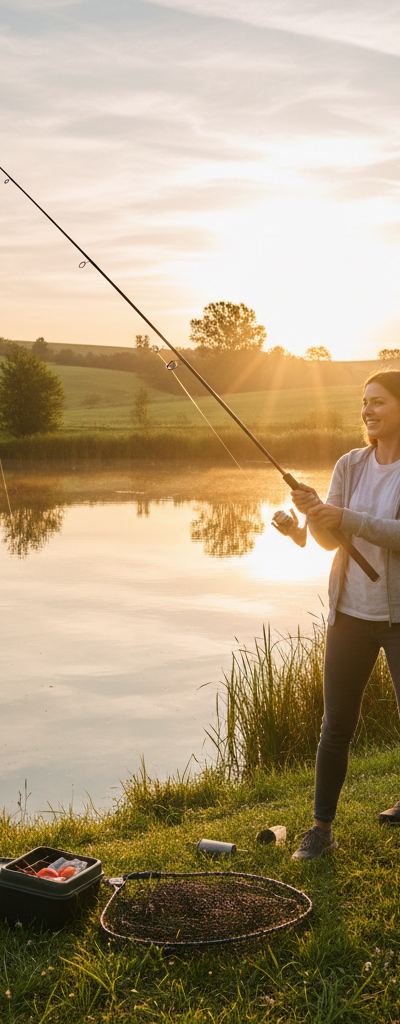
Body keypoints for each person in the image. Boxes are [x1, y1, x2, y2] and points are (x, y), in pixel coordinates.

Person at [272, 369, 400, 860]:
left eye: (379, 402)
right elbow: (330, 541)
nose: (367, 410)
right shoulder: (350, 464)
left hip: (399, 616)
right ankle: (321, 829)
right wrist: (315, 513)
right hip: (350, 613)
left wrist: (343, 517)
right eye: (364, 402)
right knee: (336, 723)